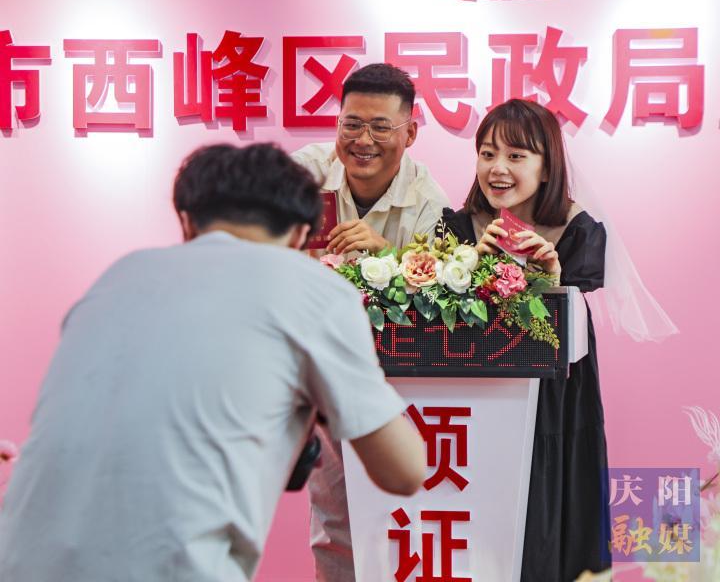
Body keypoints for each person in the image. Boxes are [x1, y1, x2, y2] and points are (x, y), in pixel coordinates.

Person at [0, 143, 426, 582]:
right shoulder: (314, 289)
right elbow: (404, 471)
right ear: (301, 234)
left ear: (187, 222)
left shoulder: (118, 277)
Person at [440, 99, 610, 582]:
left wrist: (552, 276)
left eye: (516, 156)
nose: (498, 168)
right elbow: (444, 324)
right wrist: (470, 267)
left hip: (554, 399)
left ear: (547, 166)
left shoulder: (577, 231)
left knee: (543, 511)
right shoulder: (456, 228)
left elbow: (565, 334)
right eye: (487, 153)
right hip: (475, 398)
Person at [292, 62, 449, 581]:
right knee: (334, 520)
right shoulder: (305, 174)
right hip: (322, 375)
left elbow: (443, 299)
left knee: (412, 517)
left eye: (381, 127)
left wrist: (389, 254)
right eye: (351, 124)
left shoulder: (430, 202)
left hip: (402, 385)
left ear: (410, 133)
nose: (363, 140)